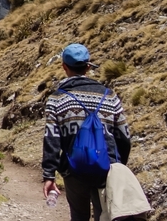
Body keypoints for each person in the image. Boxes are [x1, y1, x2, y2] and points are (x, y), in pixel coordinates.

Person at [42, 43, 132, 221]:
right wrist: (119, 166)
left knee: (78, 216)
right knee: (104, 214)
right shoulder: (109, 96)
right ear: (88, 66)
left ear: (64, 67)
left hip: (73, 169)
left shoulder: (57, 99)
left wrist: (49, 175)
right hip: (106, 169)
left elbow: (51, 139)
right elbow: (124, 136)